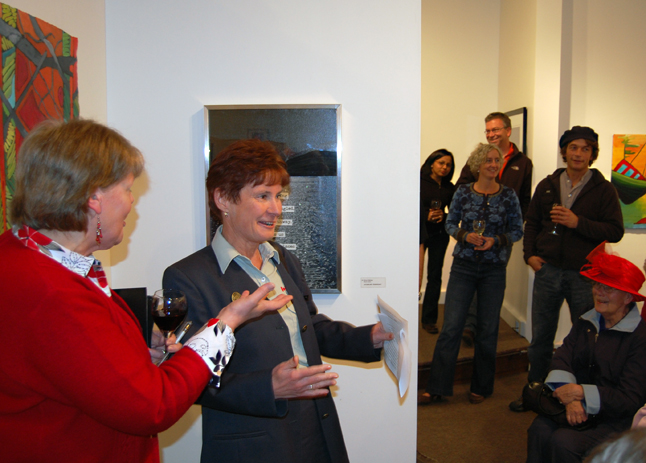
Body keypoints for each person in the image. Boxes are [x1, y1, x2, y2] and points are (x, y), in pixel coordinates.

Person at [0, 119, 302, 463]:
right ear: (94, 197)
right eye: (127, 189)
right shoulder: (50, 293)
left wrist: (134, 357)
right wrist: (224, 325)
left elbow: (74, 368)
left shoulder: (26, 259)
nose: (132, 204)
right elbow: (152, 407)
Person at [163, 139, 393, 463]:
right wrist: (268, 388)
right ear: (223, 199)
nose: (276, 209)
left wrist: (366, 337)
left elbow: (308, 327)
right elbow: (189, 381)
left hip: (315, 427)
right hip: (252, 444)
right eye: (262, 196)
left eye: (278, 196)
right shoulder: (189, 278)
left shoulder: (282, 259)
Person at [510, 126, 624, 412]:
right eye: (574, 147)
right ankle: (535, 390)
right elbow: (533, 222)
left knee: (586, 337)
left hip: (586, 275)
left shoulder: (604, 188)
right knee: (541, 337)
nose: (579, 153)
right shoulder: (548, 184)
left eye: (586, 148)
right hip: (548, 271)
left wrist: (577, 222)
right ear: (565, 151)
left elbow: (615, 231)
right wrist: (530, 255)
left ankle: (580, 397)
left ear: (592, 154)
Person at [419, 143, 523, 405]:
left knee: (487, 330)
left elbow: (517, 231)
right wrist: (465, 235)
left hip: (494, 270)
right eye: (487, 160)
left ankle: (481, 386)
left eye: (496, 160)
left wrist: (496, 240)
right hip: (463, 267)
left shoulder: (509, 195)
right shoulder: (463, 192)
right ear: (477, 164)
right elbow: (451, 223)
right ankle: (438, 386)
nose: (492, 164)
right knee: (451, 328)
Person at [526, 244, 646, 463]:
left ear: (628, 298)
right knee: (539, 430)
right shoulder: (587, 321)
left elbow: (630, 398)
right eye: (597, 285)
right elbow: (562, 357)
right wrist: (570, 398)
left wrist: (581, 393)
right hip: (574, 406)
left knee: (564, 443)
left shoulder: (640, 338)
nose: (598, 292)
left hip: (613, 419)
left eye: (608, 288)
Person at [457, 112, 533, 346]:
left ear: (508, 131)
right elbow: (461, 186)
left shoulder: (523, 163)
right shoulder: (479, 158)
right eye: (488, 131)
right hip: (475, 232)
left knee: (493, 280)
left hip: (502, 236)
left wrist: (513, 228)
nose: (491, 134)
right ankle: (469, 325)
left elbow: (524, 200)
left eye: (495, 130)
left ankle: (485, 327)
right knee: (472, 276)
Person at [419, 148, 456, 334]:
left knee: (434, 276)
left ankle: (429, 320)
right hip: (418, 233)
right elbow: (407, 206)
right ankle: (405, 311)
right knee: (412, 275)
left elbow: (456, 213)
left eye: (448, 165)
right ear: (431, 163)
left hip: (440, 234)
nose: (445, 167)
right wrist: (426, 215)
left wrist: (445, 215)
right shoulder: (417, 181)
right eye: (441, 163)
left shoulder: (450, 187)